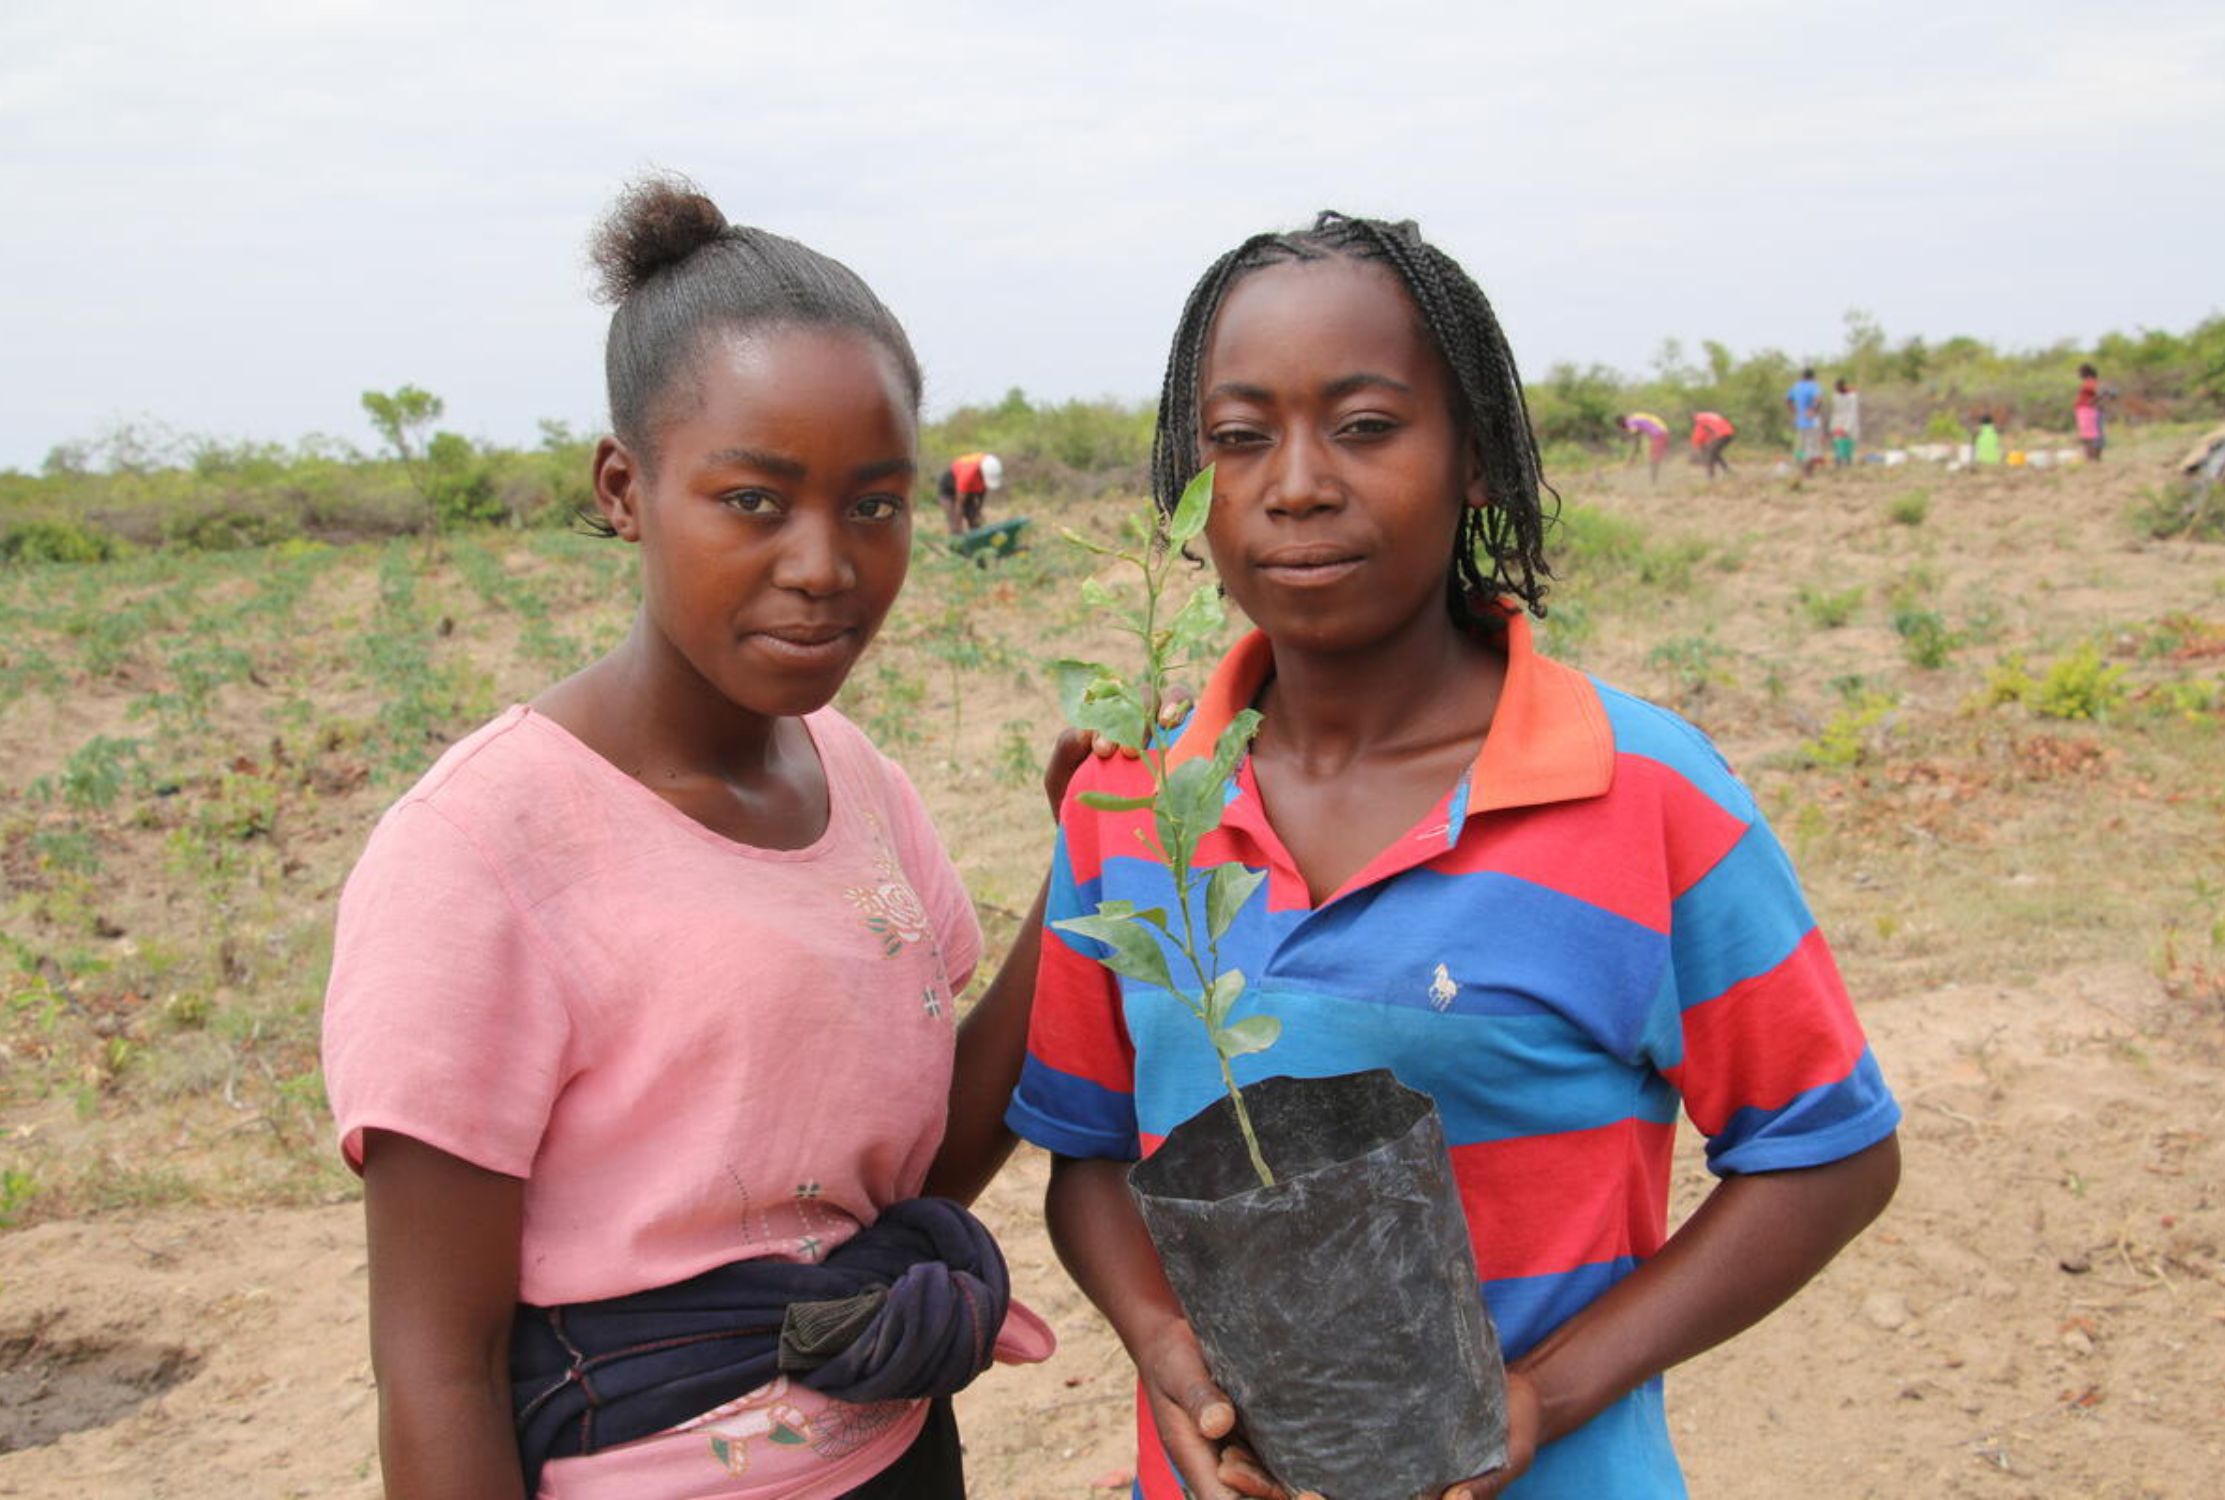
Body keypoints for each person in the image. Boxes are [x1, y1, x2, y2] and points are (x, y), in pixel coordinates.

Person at [1005, 212, 1901, 1500]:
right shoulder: (1132, 800)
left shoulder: (1643, 798)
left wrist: (1541, 1395)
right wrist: (1167, 1361)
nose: (1297, 482)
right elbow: (1087, 1152)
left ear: (1474, 458)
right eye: (1238, 438)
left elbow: (1827, 1151)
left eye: (1365, 426)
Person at [321, 173, 1066, 1500]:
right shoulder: (481, 850)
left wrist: (1092, 868)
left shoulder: (859, 784)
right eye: (756, 502)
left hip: (898, 1453)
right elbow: (438, 1363)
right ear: (624, 488)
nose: (826, 565)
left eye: (877, 505)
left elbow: (924, 1158)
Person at [937, 450, 1003, 533]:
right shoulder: (967, 475)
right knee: (955, 523)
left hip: (969, 489)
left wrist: (978, 511)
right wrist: (958, 524)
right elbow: (959, 504)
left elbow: (982, 493)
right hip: (949, 490)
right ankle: (957, 542)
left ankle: (978, 542)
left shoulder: (989, 466)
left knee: (975, 520)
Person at [1786, 366, 1825, 476]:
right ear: (1813, 376)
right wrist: (1814, 410)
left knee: (1801, 447)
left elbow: (1788, 400)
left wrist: (1795, 411)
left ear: (1803, 376)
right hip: (1811, 421)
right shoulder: (1814, 386)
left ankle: (1800, 469)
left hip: (1800, 420)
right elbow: (1819, 400)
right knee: (1811, 447)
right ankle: (1808, 472)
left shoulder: (1796, 386)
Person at [1617, 412, 1670, 483]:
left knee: (1654, 457)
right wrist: (1632, 458)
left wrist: (1625, 438)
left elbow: (1635, 440)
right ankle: (1656, 479)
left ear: (1622, 423)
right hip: (1663, 431)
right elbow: (1637, 443)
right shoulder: (1634, 419)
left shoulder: (1630, 422)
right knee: (1660, 456)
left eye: (1622, 427)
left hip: (1659, 433)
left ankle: (1655, 481)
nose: (1624, 429)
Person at [1691, 409, 1736, 479]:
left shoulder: (1700, 418)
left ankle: (1710, 476)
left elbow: (1700, 433)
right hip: (1729, 433)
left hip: (1721, 435)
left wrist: (1699, 444)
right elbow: (1711, 430)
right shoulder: (1710, 415)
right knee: (1714, 452)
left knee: (1710, 453)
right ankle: (1727, 470)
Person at [2075, 363, 2106, 462]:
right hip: (2089, 409)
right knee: (2091, 434)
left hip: (2087, 410)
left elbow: (2101, 392)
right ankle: (2093, 458)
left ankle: (2092, 459)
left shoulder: (2090, 382)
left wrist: (2093, 401)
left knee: (2089, 435)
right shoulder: (2092, 382)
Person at [1829, 378, 1860, 468]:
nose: (1836, 389)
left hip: (1850, 422)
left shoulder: (1852, 397)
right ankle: (1838, 461)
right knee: (1837, 442)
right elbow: (1835, 412)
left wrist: (1846, 428)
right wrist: (1833, 426)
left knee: (1849, 442)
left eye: (1837, 387)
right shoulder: (1836, 396)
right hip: (1838, 422)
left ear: (1842, 386)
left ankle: (1848, 462)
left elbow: (1852, 412)